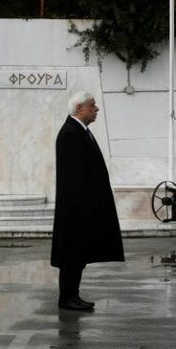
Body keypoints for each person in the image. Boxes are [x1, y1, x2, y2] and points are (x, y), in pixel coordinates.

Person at [51, 91, 125, 311]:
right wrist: (83, 208)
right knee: (72, 254)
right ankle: (67, 297)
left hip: (81, 207)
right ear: (79, 108)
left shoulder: (80, 131)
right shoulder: (71, 133)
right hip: (76, 208)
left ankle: (72, 295)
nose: (97, 109)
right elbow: (74, 176)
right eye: (92, 105)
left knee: (78, 254)